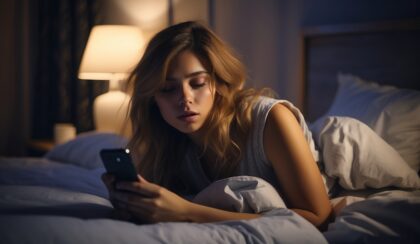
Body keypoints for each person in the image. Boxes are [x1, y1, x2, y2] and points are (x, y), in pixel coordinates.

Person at [102, 21, 332, 229]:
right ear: (154, 98)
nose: (185, 98)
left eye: (198, 83)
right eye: (167, 88)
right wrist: (132, 204)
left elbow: (318, 216)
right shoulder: (167, 140)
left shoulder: (271, 120)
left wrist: (187, 212)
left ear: (219, 83)